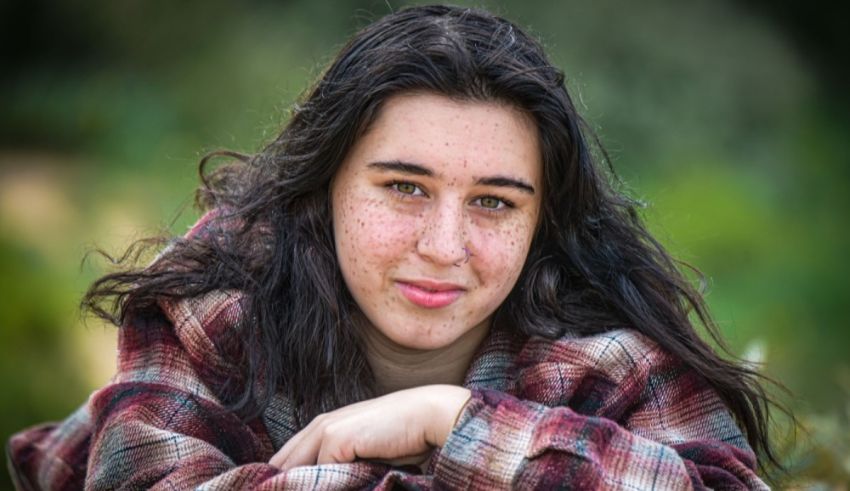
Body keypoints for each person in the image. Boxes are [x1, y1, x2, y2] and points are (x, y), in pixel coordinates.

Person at [7, 5, 777, 490]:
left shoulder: (608, 353)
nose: (445, 246)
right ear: (325, 186)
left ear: (542, 220)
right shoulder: (214, 302)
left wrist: (454, 421)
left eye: (494, 202)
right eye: (404, 187)